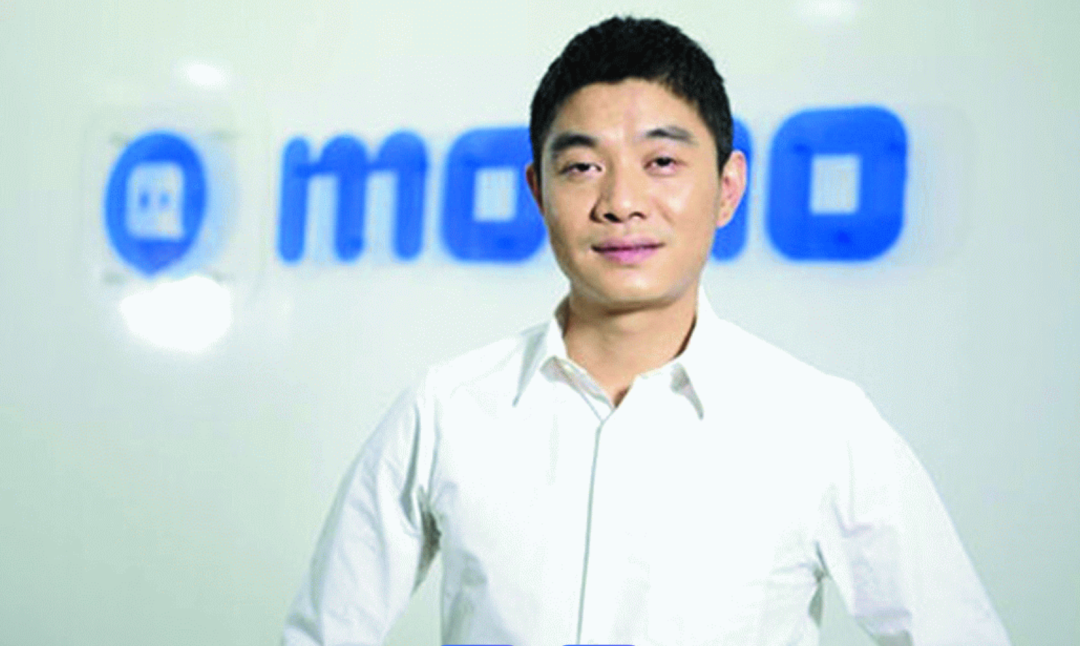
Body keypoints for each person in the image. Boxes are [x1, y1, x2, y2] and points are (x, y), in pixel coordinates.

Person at [283, 16, 1011, 646]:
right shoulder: (446, 410)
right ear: (538, 192)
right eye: (582, 167)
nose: (622, 201)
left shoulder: (820, 425)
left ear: (728, 188)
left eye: (661, 162)